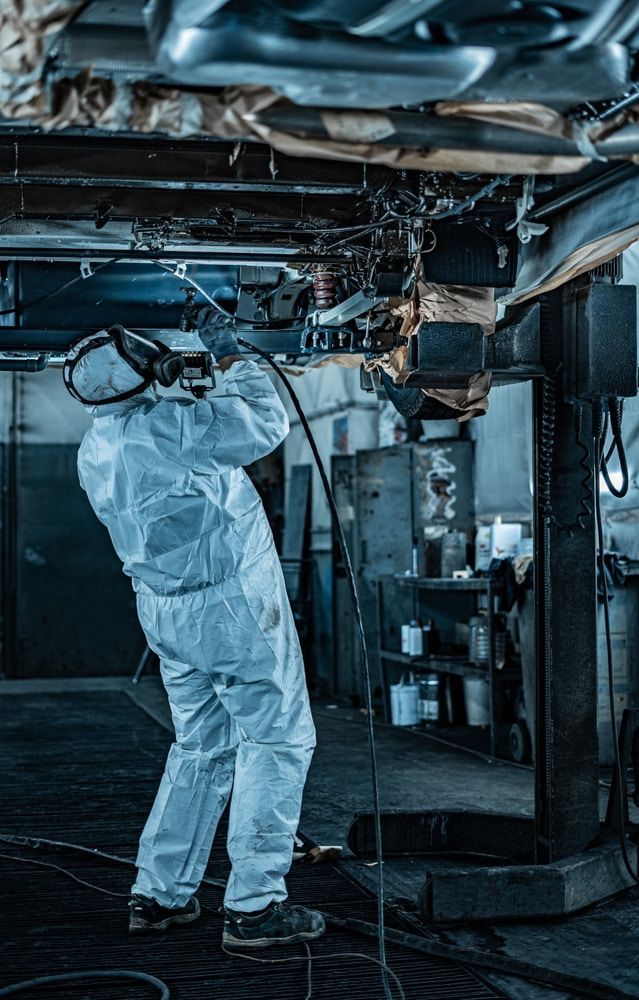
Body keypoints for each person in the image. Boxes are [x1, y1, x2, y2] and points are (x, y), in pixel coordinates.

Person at [64, 310, 323, 949]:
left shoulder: (96, 449)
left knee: (201, 746)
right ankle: (257, 907)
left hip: (165, 614)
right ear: (145, 375)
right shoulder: (174, 426)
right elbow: (267, 422)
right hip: (231, 611)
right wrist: (235, 357)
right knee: (278, 739)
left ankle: (160, 894)